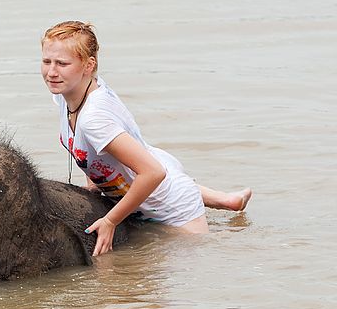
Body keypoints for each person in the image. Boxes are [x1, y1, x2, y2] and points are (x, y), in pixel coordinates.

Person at [41, 21, 252, 256]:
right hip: (146, 163)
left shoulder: (94, 119)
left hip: (171, 206)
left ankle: (218, 205)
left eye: (62, 63)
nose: (51, 72)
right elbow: (91, 150)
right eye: (46, 61)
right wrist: (95, 182)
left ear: (89, 65)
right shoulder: (68, 94)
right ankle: (227, 201)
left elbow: (153, 173)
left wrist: (110, 221)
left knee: (207, 256)